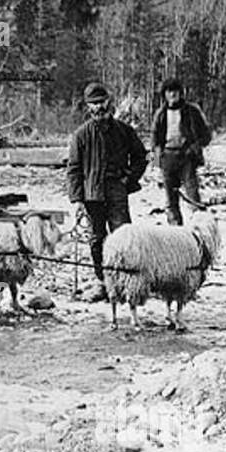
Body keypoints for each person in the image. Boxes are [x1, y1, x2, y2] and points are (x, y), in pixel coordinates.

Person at [67, 82, 149, 302]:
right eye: (93, 104)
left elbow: (142, 158)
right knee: (96, 240)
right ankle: (103, 280)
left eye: (101, 102)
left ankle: (125, 282)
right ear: (88, 107)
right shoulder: (81, 135)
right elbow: (73, 169)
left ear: (109, 102)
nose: (98, 108)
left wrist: (128, 179)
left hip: (116, 193)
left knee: (123, 237)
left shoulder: (124, 131)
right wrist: (76, 200)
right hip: (92, 196)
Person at [150, 78, 212, 225]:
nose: (173, 95)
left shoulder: (192, 111)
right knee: (170, 199)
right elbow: (154, 141)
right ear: (164, 94)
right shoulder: (160, 114)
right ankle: (175, 231)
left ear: (181, 93)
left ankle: (200, 228)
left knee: (193, 195)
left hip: (187, 158)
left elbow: (207, 135)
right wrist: (155, 163)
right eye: (169, 91)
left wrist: (194, 148)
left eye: (176, 91)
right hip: (167, 158)